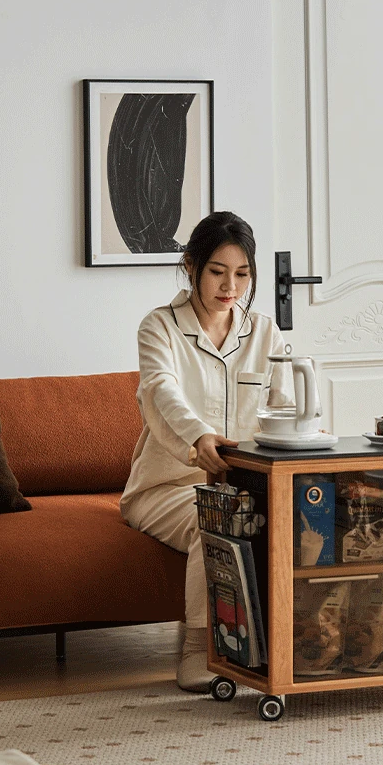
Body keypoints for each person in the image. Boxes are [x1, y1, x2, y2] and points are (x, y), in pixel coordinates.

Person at [120, 211, 285, 692]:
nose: (230, 287)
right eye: (217, 272)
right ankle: (199, 648)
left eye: (242, 274)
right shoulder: (160, 327)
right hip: (166, 488)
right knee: (213, 515)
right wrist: (198, 437)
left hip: (245, 484)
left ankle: (294, 642)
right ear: (191, 266)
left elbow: (284, 407)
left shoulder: (265, 332)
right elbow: (161, 391)